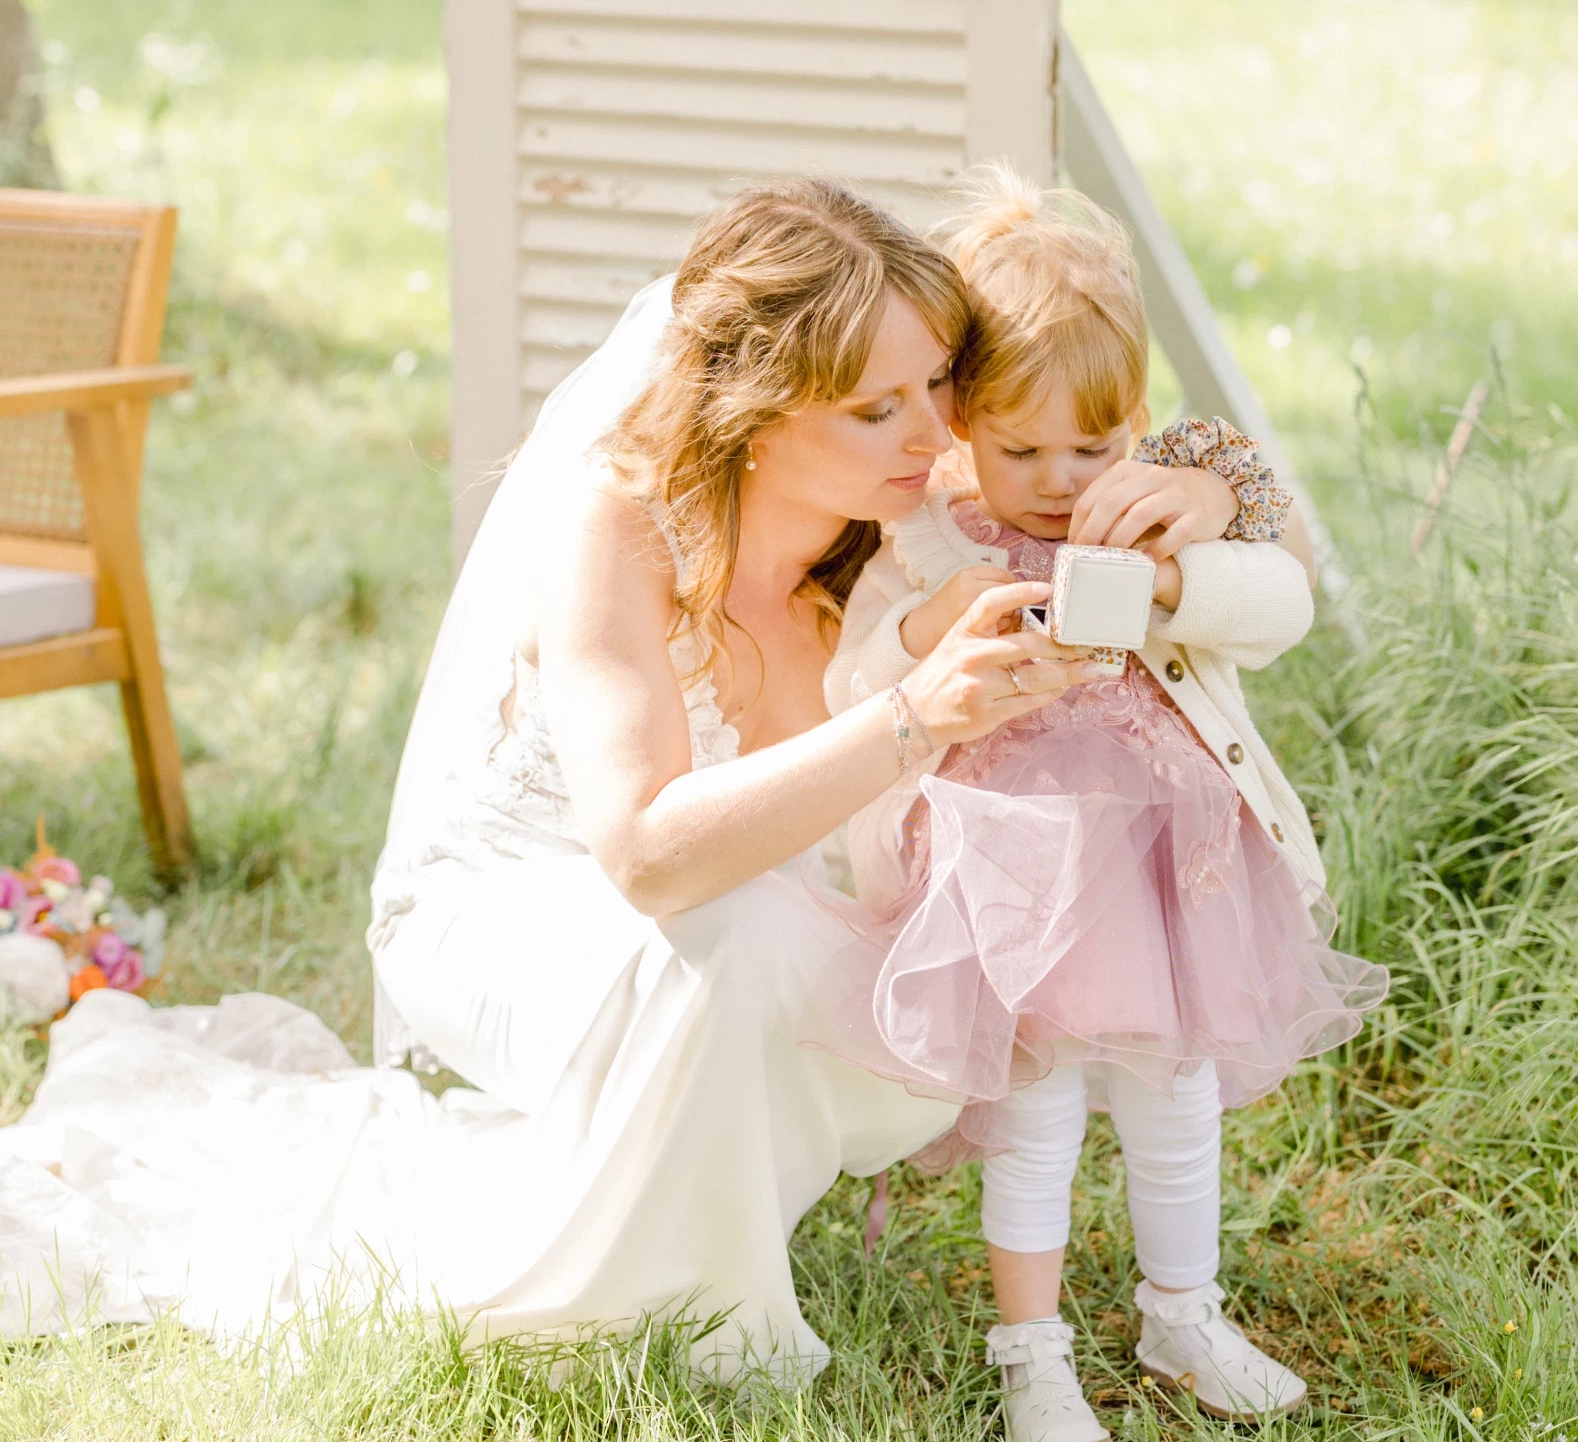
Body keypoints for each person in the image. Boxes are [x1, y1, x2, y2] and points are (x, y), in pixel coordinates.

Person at [0, 177, 1242, 1380]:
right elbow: (646, 855)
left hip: (728, 912)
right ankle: (706, 1325)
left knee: (881, 967)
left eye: (935, 385)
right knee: (734, 927)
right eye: (879, 406)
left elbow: (1177, 483)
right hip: (508, 910)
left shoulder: (912, 511)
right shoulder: (615, 521)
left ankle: (704, 1210)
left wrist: (1204, 483)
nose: (935, 430)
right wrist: (913, 718)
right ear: (758, 408)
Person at [822, 173, 1387, 1442]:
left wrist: (1173, 567)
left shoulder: (1160, 500)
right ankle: (1031, 1354)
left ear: (1131, 418)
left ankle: (1181, 1314)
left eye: (1088, 446)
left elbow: (1280, 604)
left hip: (1164, 865)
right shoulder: (930, 534)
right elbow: (854, 670)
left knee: (1173, 1100)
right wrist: (936, 628)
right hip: (1018, 875)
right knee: (1036, 1113)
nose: (1057, 480)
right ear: (960, 421)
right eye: (1019, 451)